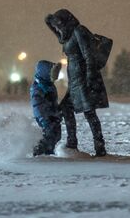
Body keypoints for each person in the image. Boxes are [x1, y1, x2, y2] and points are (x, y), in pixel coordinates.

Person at [45, 9, 108, 157]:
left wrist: (90, 76)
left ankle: (100, 147)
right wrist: (50, 20)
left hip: (83, 79)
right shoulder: (66, 36)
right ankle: (72, 143)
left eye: (59, 24)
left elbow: (89, 54)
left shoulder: (79, 31)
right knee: (66, 109)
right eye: (56, 26)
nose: (57, 28)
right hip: (74, 81)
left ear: (66, 21)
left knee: (89, 112)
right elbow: (53, 28)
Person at [30, 60, 62, 156]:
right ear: (45, 73)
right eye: (52, 74)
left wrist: (57, 112)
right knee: (49, 135)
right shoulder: (38, 87)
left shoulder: (49, 85)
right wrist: (43, 119)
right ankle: (39, 152)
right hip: (45, 117)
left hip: (52, 115)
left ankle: (48, 152)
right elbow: (37, 106)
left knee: (56, 135)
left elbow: (53, 101)